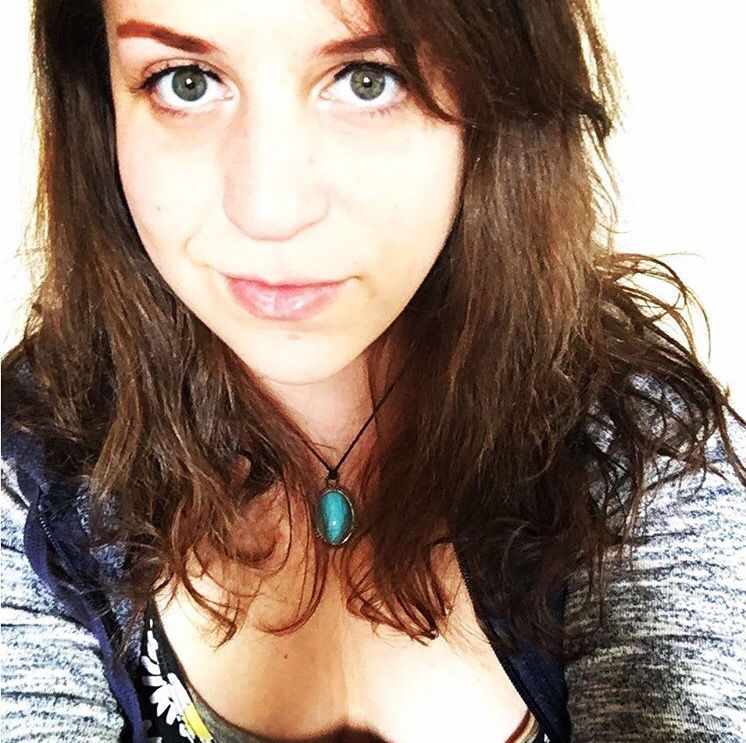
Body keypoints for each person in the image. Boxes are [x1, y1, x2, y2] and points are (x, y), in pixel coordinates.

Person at [2, 0, 745, 741]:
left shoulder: (636, 457)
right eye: (185, 81)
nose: (268, 211)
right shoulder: (35, 473)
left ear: (497, 96)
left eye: (367, 79)